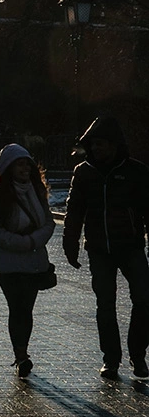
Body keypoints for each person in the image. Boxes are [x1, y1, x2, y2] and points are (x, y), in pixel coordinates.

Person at [62, 117, 149, 380]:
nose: (96, 149)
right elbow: (74, 210)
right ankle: (111, 359)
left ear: (114, 145)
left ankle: (138, 356)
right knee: (105, 305)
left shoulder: (135, 171)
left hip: (131, 246)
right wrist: (70, 243)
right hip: (99, 249)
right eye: (93, 144)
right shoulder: (84, 172)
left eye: (101, 144)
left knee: (144, 300)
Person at [0, 144, 55, 378]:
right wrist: (20, 243)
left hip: (33, 260)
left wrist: (32, 241)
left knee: (27, 308)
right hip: (8, 263)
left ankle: (23, 351)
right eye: (20, 164)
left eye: (27, 164)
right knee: (17, 306)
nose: (25, 168)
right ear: (8, 168)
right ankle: (21, 355)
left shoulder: (37, 190)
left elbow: (49, 223)